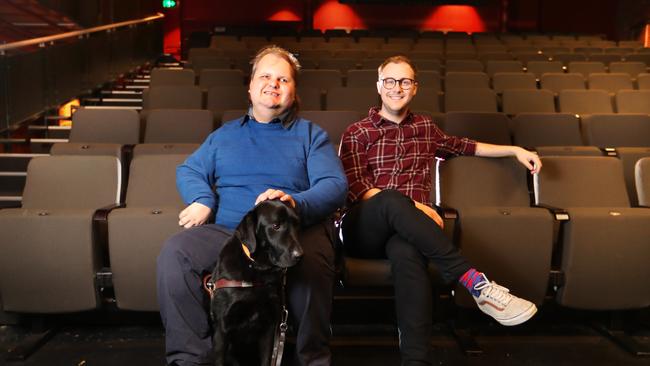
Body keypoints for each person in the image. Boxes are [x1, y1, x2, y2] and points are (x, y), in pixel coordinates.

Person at [338, 55, 542, 366]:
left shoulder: (425, 127)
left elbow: (465, 146)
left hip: (409, 230)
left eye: (405, 81)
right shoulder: (358, 132)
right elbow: (358, 189)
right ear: (379, 86)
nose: (397, 88)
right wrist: (416, 205)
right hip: (364, 228)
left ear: (415, 88)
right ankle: (476, 283)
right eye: (390, 81)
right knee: (392, 201)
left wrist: (516, 149)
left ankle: (415, 360)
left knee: (408, 253)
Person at [157, 45, 348, 366]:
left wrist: (294, 201)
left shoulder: (311, 135)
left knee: (313, 259)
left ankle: (313, 359)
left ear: (294, 90)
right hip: (233, 233)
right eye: (265, 76)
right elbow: (189, 169)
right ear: (250, 86)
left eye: (283, 79)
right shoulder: (223, 136)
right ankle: (190, 360)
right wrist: (203, 200)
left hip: (290, 229)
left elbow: (335, 186)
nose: (273, 83)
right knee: (175, 253)